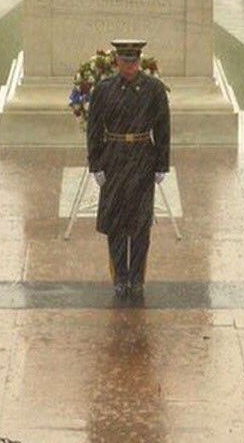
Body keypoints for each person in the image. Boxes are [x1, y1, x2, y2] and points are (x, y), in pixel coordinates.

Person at [87, 39, 170, 300]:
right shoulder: (103, 90)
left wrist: (161, 163)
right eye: (125, 61)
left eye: (134, 61)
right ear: (117, 62)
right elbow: (94, 129)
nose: (130, 66)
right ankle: (120, 276)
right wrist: (96, 164)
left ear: (140, 61)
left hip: (143, 158)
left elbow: (163, 128)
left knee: (140, 223)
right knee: (117, 222)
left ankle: (136, 276)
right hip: (114, 158)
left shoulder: (154, 89)